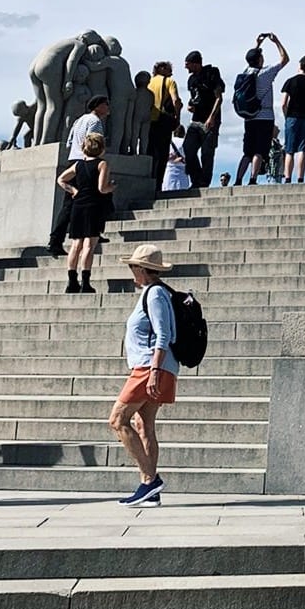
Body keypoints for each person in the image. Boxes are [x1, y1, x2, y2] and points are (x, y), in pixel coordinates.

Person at [107, 244, 179, 507]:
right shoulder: (155, 293)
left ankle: (150, 480)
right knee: (143, 425)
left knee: (117, 419)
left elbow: (163, 335)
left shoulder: (155, 294)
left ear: (141, 269)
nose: (131, 273)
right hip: (153, 368)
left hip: (150, 368)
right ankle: (150, 491)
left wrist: (154, 372)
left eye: (132, 268)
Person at [49, 94, 109, 256]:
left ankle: (57, 239)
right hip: (87, 161)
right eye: (105, 104)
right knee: (94, 198)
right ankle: (59, 239)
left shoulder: (79, 120)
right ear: (97, 106)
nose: (108, 107)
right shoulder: (95, 121)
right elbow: (94, 142)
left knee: (70, 203)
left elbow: (69, 141)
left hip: (73, 160)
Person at [58, 130, 112, 293]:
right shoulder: (102, 164)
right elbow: (101, 188)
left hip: (78, 205)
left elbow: (61, 179)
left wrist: (73, 190)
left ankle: (71, 281)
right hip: (93, 205)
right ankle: (86, 281)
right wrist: (112, 187)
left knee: (76, 244)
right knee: (89, 244)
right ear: (101, 148)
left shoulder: (78, 164)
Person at [234, 34, 288, 186]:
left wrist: (257, 45)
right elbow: (285, 60)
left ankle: (238, 179)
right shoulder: (266, 73)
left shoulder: (246, 72)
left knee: (247, 152)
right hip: (265, 116)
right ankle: (253, 179)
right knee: (259, 150)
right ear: (259, 59)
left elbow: (250, 59)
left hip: (249, 116)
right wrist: (276, 41)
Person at [182, 51, 225, 189]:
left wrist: (212, 117)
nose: (186, 68)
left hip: (210, 119)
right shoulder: (191, 80)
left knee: (207, 152)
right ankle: (196, 178)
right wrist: (191, 105)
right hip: (196, 120)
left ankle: (203, 182)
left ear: (196, 63)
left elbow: (219, 97)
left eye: (188, 65)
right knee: (188, 149)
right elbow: (194, 97)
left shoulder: (211, 73)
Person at [281, 53, 305, 184]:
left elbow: (283, 103)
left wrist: (286, 116)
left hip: (292, 117)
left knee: (289, 149)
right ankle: (300, 177)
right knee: (303, 149)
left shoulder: (290, 81)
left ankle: (288, 177)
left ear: (300, 64)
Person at [146, 61, 181, 192]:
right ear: (162, 68)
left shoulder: (148, 82)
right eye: (169, 69)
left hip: (148, 122)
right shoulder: (169, 81)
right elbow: (176, 100)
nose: (171, 72)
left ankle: (148, 181)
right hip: (163, 121)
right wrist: (177, 117)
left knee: (150, 153)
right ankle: (158, 185)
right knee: (162, 155)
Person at [161, 127, 191, 194]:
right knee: (183, 192)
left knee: (168, 192)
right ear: (184, 133)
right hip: (183, 170)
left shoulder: (169, 142)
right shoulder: (186, 142)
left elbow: (163, 156)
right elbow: (191, 158)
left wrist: (173, 159)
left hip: (170, 169)